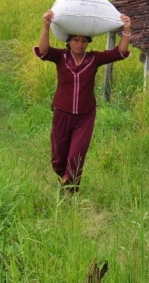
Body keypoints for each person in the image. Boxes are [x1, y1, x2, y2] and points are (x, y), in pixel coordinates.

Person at [34, 10, 133, 191]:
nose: (80, 44)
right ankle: (64, 176)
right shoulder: (61, 57)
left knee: (76, 156)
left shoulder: (94, 59)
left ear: (89, 42)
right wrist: (46, 25)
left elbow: (120, 52)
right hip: (62, 113)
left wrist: (127, 29)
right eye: (76, 40)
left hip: (85, 116)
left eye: (84, 40)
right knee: (58, 159)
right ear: (68, 41)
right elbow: (43, 51)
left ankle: (70, 191)